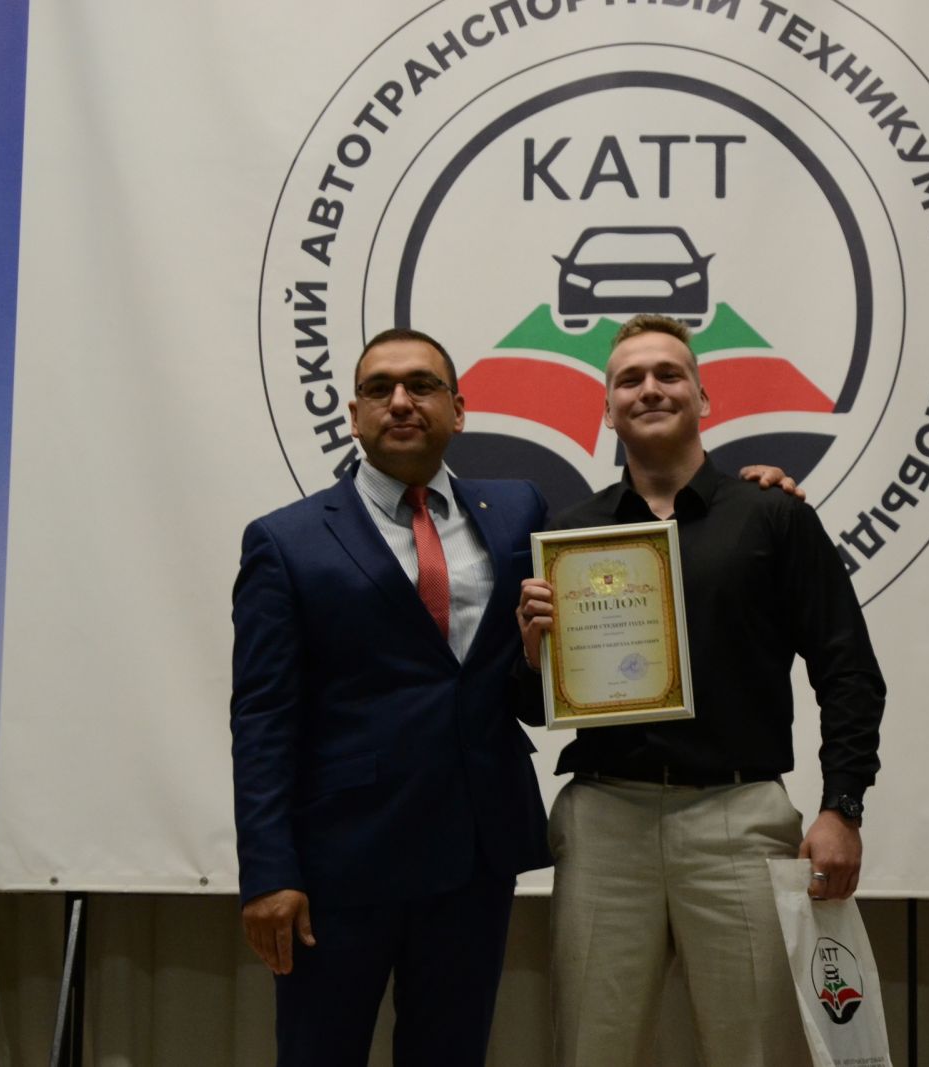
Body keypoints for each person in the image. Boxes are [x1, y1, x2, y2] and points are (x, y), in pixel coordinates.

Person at [230, 327, 805, 1066]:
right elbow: (263, 718)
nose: (401, 402)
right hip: (340, 864)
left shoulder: (517, 511)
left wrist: (751, 492)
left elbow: (619, 549)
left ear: (459, 410)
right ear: (353, 413)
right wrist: (269, 871)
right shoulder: (286, 541)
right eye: (379, 389)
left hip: (474, 859)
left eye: (422, 386)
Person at [517, 314, 888, 1067]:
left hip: (738, 816)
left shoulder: (773, 515)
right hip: (605, 818)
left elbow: (848, 669)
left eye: (669, 374)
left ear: (703, 396)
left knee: (758, 1051)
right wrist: (532, 657)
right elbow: (535, 708)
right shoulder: (570, 536)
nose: (650, 388)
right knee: (591, 1052)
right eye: (629, 379)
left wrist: (842, 805)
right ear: (608, 408)